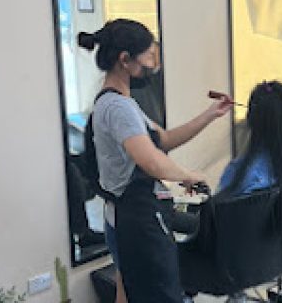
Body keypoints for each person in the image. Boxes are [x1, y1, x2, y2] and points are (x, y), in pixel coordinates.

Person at [78, 18, 231, 303]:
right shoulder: (118, 108)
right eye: (148, 56)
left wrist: (211, 114)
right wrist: (189, 175)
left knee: (127, 293)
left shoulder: (123, 104)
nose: (152, 65)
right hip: (135, 219)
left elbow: (165, 140)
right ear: (125, 60)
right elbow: (151, 161)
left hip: (126, 216)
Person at [217, 81, 282, 265]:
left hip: (234, 261)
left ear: (251, 121)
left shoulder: (240, 174)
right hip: (277, 260)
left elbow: (218, 220)